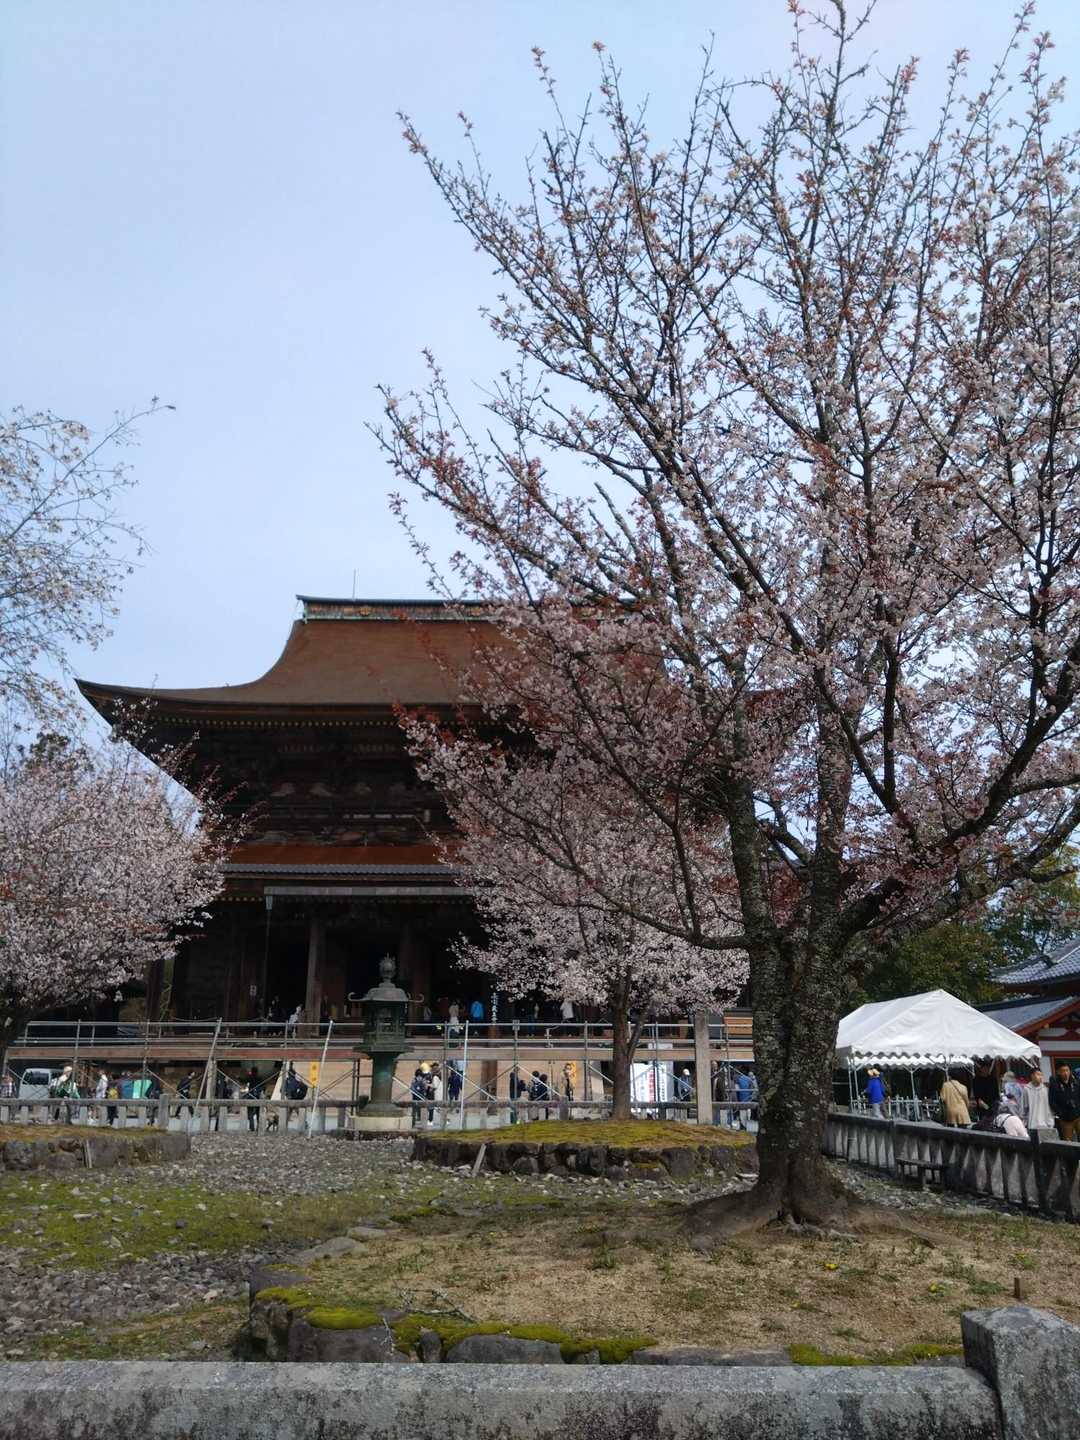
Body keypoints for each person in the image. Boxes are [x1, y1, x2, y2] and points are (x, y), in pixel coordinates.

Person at [1048, 1061, 1080, 1141]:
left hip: (1078, 1116)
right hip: (1065, 1120)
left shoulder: (1075, 1081)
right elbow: (1052, 1101)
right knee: (1068, 1142)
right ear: (1058, 1072)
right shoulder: (1054, 1084)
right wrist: (1060, 1114)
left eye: (1067, 1070)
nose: (1066, 1073)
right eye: (1063, 1071)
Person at [1021, 1066, 1054, 1133]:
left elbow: (1049, 1107)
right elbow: (1024, 1107)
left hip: (1046, 1124)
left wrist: (1051, 1121)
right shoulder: (1026, 1089)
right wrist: (1024, 1123)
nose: (1040, 1077)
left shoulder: (1045, 1089)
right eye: (1038, 1074)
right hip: (1032, 1124)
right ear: (1032, 1076)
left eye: (1041, 1075)